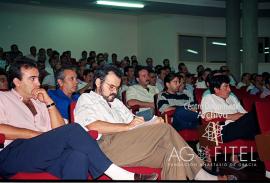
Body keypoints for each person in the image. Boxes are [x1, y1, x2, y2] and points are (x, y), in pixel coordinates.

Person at [0, 58, 158, 180]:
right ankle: (118, 174)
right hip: (13, 153)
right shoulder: (3, 97)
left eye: (38, 78)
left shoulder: (40, 102)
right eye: (32, 79)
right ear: (17, 81)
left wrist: (49, 102)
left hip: (43, 153)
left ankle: (116, 174)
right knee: (74, 129)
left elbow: (58, 129)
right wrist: (38, 136)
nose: (39, 83)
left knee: (78, 157)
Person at [74, 65, 236, 180]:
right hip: (105, 147)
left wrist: (150, 123)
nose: (114, 91)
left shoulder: (116, 103)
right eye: (111, 86)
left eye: (117, 87)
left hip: (129, 144)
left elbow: (133, 124)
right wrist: (128, 126)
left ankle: (198, 174)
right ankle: (201, 174)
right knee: (166, 129)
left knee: (172, 155)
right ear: (97, 83)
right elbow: (91, 126)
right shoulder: (87, 98)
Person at [201, 75, 260, 169]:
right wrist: (231, 116)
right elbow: (207, 116)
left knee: (258, 117)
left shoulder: (232, 98)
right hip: (223, 130)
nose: (229, 89)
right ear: (216, 89)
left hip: (239, 126)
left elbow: (244, 113)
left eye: (229, 86)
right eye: (226, 87)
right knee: (257, 115)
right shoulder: (209, 98)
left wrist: (238, 116)